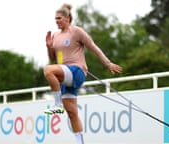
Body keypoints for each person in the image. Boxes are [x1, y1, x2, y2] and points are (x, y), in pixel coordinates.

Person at [43, 3, 122, 144]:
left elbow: (94, 47)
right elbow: (53, 59)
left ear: (68, 18)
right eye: (55, 19)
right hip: (65, 75)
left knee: (48, 70)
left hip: (77, 71)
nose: (56, 21)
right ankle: (80, 142)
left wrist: (108, 63)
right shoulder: (55, 35)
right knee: (72, 113)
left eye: (59, 18)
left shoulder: (76, 32)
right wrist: (49, 46)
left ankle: (56, 104)